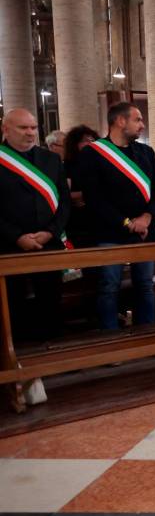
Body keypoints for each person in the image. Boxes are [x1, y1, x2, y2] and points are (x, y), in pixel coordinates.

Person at [76, 102, 155, 330]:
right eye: (138, 120)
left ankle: (147, 334)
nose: (142, 125)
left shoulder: (145, 152)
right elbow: (95, 199)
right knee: (109, 285)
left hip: (145, 230)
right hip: (110, 231)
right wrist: (126, 223)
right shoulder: (93, 154)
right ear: (120, 121)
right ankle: (111, 340)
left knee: (145, 284)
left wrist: (146, 217)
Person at [0, 108, 71, 341]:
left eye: (33, 128)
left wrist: (50, 232)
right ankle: (20, 359)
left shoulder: (51, 159)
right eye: (23, 128)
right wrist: (17, 237)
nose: (30, 133)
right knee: (13, 304)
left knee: (50, 300)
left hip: (48, 244)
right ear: (5, 129)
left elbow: (64, 202)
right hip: (9, 247)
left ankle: (53, 352)